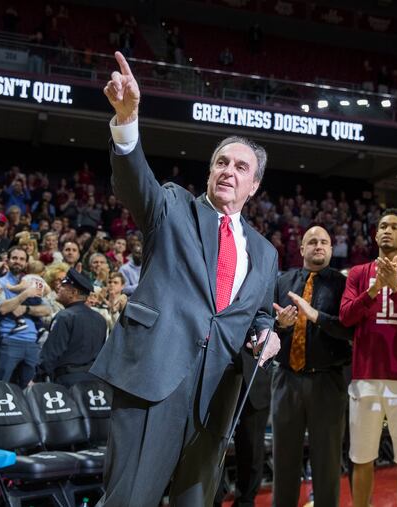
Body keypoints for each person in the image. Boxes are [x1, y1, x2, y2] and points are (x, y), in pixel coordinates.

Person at [92, 51, 280, 506]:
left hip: (216, 397)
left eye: (240, 167)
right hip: (154, 380)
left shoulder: (266, 252)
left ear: (254, 186)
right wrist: (127, 120)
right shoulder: (174, 206)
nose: (227, 172)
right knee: (128, 499)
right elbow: (135, 183)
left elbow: (255, 316)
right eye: (221, 162)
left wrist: (267, 335)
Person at [340, 209, 397, 507]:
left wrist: (395, 289)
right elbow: (346, 317)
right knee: (361, 457)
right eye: (382, 226)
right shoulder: (357, 273)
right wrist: (374, 289)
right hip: (365, 376)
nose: (387, 231)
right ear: (376, 235)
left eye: (394, 227)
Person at [271, 225, 352, 507]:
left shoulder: (344, 285)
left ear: (331, 249)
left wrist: (315, 316)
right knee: (284, 459)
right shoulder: (283, 282)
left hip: (327, 382)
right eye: (312, 242)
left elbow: (349, 330)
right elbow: (267, 327)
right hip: (285, 378)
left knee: (327, 462)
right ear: (302, 249)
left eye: (324, 242)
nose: (319, 246)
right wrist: (279, 325)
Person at [0, 246, 50, 387]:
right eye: (14, 258)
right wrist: (25, 295)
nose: (18, 261)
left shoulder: (34, 282)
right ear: (7, 261)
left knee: (28, 391)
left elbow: (47, 310)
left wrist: (25, 308)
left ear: (26, 264)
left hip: (32, 343)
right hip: (9, 341)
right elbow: (3, 308)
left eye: (22, 259)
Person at [40, 269, 107, 387]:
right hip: (94, 381)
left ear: (73, 292)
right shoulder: (100, 319)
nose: (58, 289)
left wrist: (38, 376)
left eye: (63, 286)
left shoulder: (65, 316)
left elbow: (52, 352)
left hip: (67, 381)